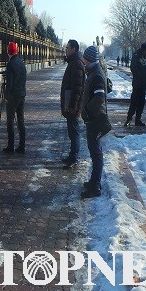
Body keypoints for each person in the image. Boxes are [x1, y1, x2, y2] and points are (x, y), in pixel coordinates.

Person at [79, 46, 110, 199]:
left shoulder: (96, 75)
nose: (82, 60)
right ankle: (93, 181)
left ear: (89, 58)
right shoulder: (93, 72)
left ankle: (95, 185)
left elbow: (99, 99)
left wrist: (86, 109)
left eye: (84, 57)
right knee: (94, 151)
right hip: (93, 117)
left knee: (96, 152)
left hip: (95, 118)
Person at [61, 40, 85, 168]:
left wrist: (73, 107)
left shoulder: (76, 64)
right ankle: (72, 155)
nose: (66, 50)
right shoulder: (73, 62)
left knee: (74, 131)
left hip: (72, 106)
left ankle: (74, 157)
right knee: (71, 131)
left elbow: (78, 88)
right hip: (70, 104)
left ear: (74, 49)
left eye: (68, 48)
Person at [3, 42, 27, 154]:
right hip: (22, 94)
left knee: (10, 121)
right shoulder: (22, 63)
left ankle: (10, 145)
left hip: (13, 96)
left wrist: (6, 96)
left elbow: (10, 83)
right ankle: (22, 145)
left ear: (9, 52)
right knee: (21, 120)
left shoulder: (10, 64)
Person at [125, 43, 146, 127]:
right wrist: (142, 73)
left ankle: (138, 120)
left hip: (143, 84)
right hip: (138, 84)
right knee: (134, 102)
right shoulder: (136, 57)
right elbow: (134, 69)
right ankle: (129, 118)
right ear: (143, 50)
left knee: (141, 103)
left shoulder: (143, 58)